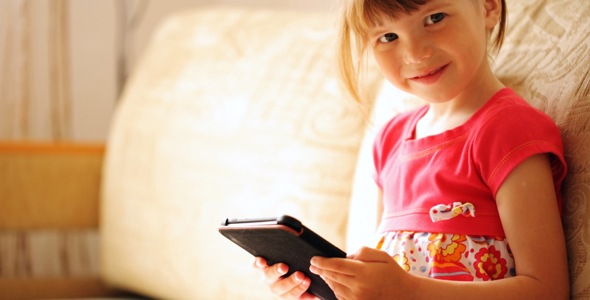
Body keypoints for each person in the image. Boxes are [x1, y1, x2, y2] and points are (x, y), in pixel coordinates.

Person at [253, 0, 570, 299]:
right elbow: (381, 279)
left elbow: (547, 290)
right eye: (388, 36)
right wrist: (328, 286)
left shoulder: (509, 130)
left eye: (435, 18)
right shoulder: (390, 141)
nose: (415, 53)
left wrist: (409, 291)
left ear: (488, 5)